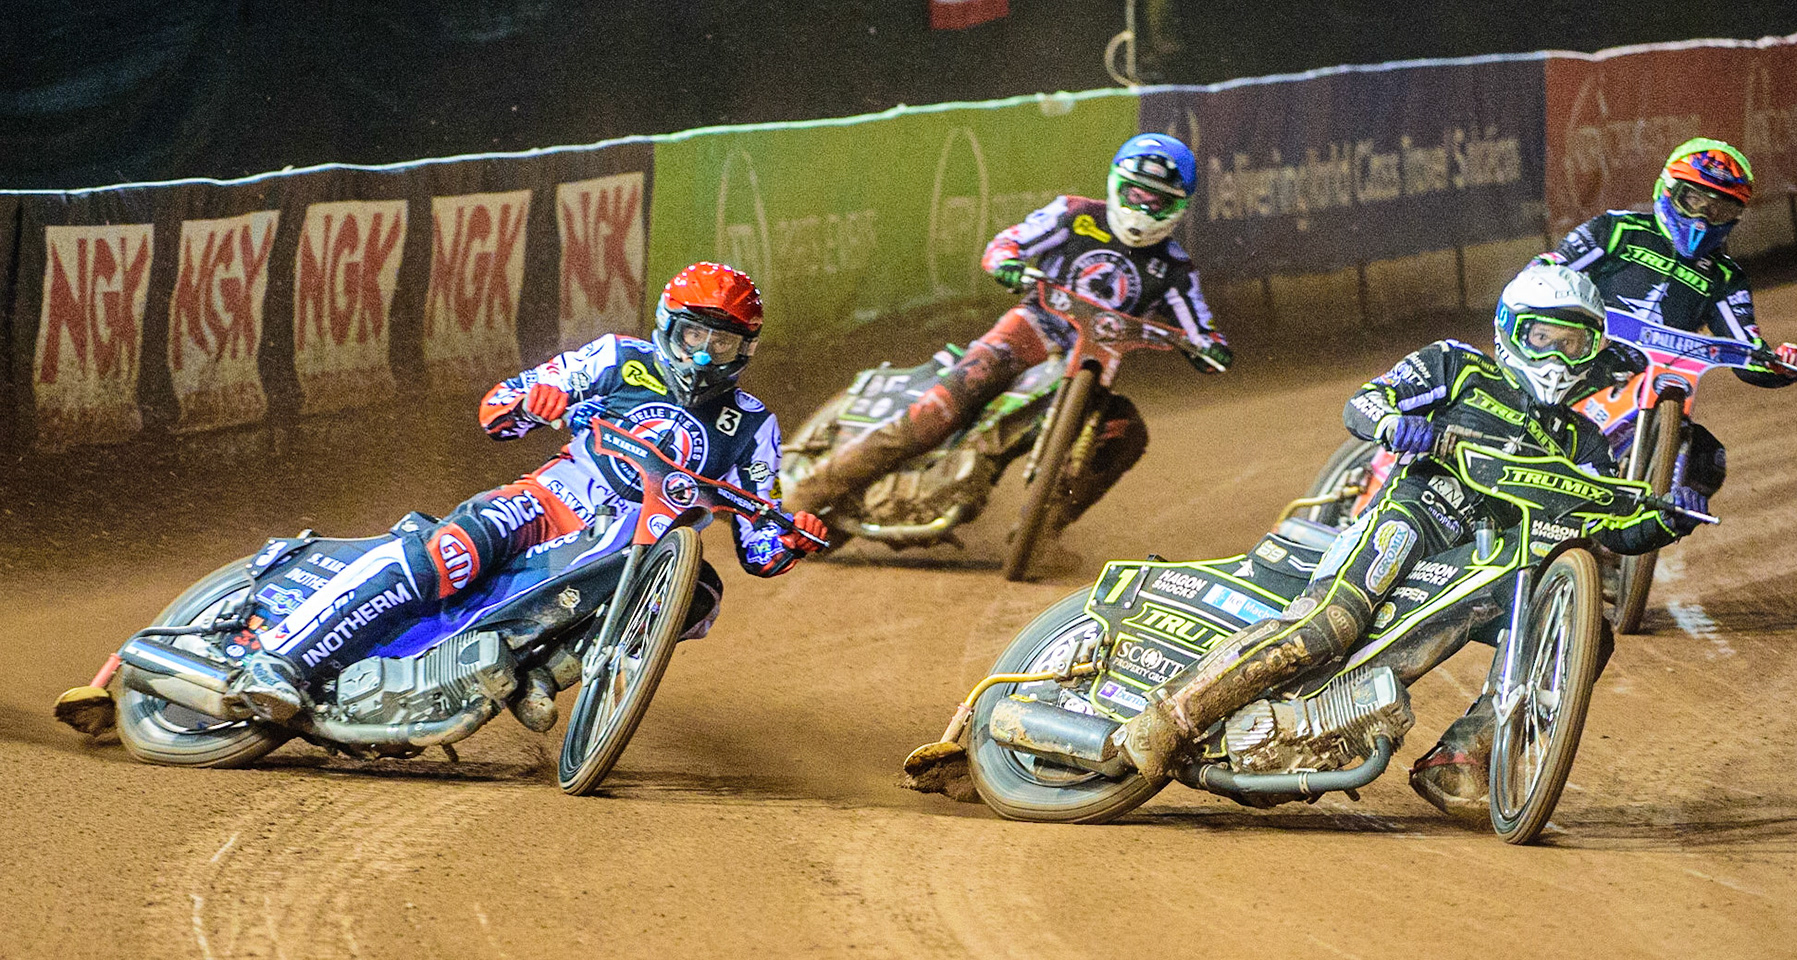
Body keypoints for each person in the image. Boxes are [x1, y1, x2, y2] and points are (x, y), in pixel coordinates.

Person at [1112, 263, 1709, 796]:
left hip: (1491, 566)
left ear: (1592, 351)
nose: (1555, 358)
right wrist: (1401, 425)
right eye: (1542, 338)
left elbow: (1605, 525)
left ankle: (1462, 761)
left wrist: (1665, 518)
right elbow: (1365, 403)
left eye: (1571, 342)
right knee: (1331, 624)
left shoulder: (1584, 441)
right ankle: (1168, 718)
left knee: (1589, 633)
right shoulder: (1458, 365)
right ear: (1510, 332)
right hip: (1415, 519)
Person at [229, 262, 829, 726]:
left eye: (721, 342)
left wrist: (792, 538)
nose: (703, 352)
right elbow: (497, 410)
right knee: (450, 552)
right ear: (667, 325)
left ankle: (542, 673)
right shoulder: (616, 357)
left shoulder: (754, 426)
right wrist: (531, 404)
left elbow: (758, 544)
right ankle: (279, 660)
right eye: (694, 332)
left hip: (632, 557)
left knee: (699, 594)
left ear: (744, 349)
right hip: (547, 504)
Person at [782, 133, 1233, 525]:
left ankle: (1047, 527)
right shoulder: (1073, 214)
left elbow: (1201, 326)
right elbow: (1008, 242)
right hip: (1032, 328)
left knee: (1126, 433)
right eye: (1136, 193)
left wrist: (1209, 348)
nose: (1143, 207)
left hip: (1096, 363)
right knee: (950, 399)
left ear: (1179, 208)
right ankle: (804, 496)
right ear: (1118, 185)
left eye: (1158, 201)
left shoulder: (1175, 268)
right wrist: (1009, 264)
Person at [1542, 137, 1797, 391]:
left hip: (1654, 391)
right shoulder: (1618, 229)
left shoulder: (1725, 278)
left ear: (1734, 217)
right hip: (1571, 366)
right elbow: (1548, 274)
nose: (1702, 220)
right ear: (1669, 190)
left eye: (1719, 211)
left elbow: (1746, 350)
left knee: (1707, 443)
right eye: (1693, 200)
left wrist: (1782, 364)